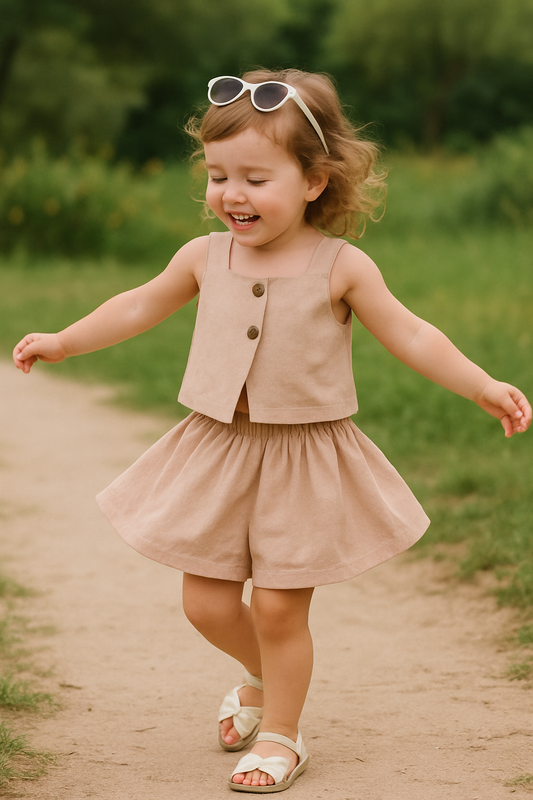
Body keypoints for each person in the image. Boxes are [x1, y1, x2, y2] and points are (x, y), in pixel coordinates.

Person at [12, 69, 531, 794]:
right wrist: (65, 341)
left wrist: (479, 384)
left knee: (281, 609)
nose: (232, 194)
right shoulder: (203, 256)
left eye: (256, 179)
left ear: (314, 181)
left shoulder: (341, 267)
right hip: (218, 448)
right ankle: (262, 675)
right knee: (205, 603)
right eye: (218, 175)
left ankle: (282, 734)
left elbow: (412, 333)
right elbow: (137, 305)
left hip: (302, 457)